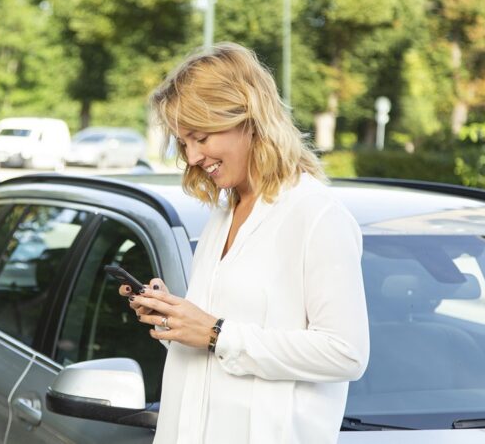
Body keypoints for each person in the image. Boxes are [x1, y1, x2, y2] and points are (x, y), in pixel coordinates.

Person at [119, 42, 370, 444]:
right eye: (184, 143)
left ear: (248, 119)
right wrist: (175, 317)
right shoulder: (224, 213)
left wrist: (217, 333)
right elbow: (217, 345)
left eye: (201, 137)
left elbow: (346, 353)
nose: (192, 156)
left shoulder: (316, 215)